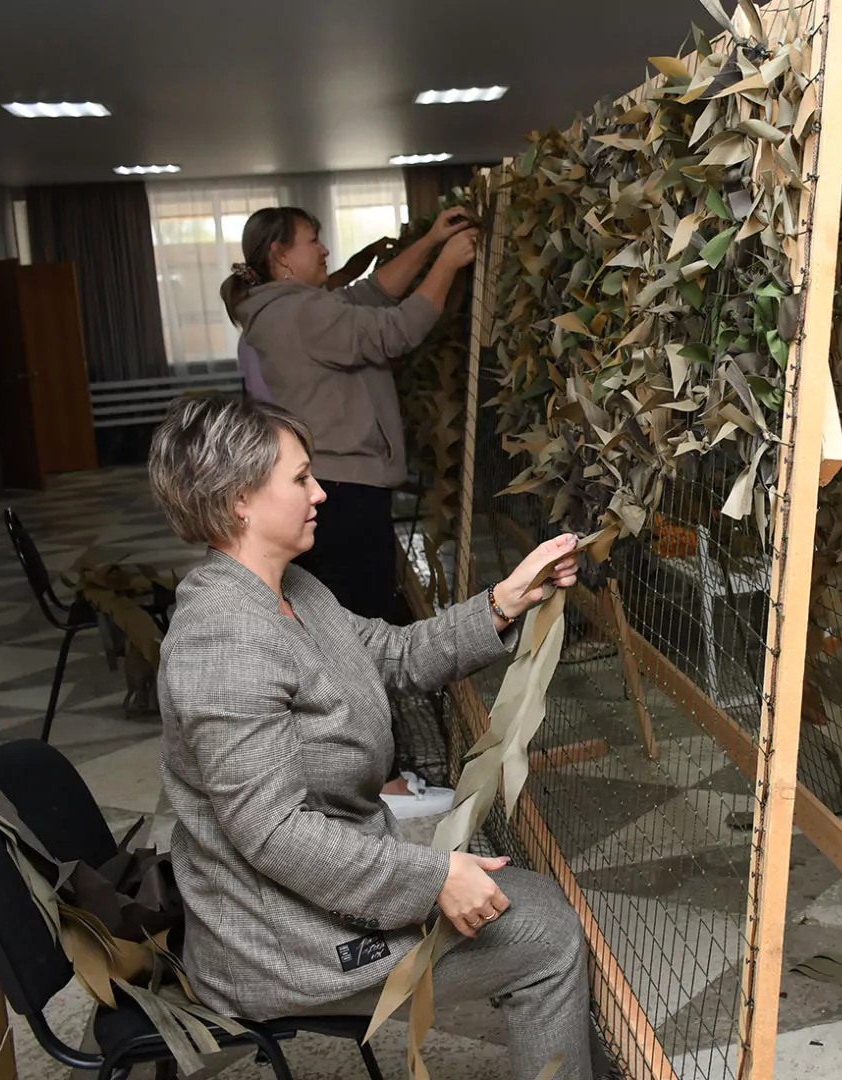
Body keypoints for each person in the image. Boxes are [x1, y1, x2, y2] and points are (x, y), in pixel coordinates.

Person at [149, 395, 594, 1080]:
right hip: (279, 941)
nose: (320, 492)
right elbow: (272, 834)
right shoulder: (223, 639)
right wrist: (433, 877)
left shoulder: (291, 588)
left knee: (540, 908)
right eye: (300, 478)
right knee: (548, 936)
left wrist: (508, 598)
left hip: (318, 896)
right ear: (241, 499)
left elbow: (392, 655)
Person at [220, 206, 475, 620]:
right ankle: (362, 685)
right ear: (280, 255)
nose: (324, 250)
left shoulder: (282, 307)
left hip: (327, 479)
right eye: (312, 240)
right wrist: (446, 264)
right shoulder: (303, 313)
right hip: (346, 489)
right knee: (363, 613)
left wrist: (430, 242)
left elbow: (370, 293)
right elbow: (396, 331)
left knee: (339, 608)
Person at [237, 236, 398, 403]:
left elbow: (347, 273)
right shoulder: (260, 337)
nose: (322, 251)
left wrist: (371, 251)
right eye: (311, 241)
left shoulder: (312, 303)